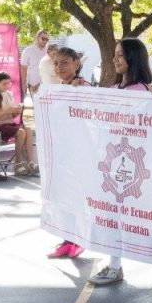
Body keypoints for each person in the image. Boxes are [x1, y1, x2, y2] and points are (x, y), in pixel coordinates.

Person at [88, 38, 152, 287]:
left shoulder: (144, 92)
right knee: (115, 215)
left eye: (120, 55)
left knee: (139, 216)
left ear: (133, 58)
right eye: (115, 54)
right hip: (113, 163)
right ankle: (115, 265)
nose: (115, 59)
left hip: (135, 166)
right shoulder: (114, 88)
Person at [46, 48, 92, 260]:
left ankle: (77, 240)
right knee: (63, 198)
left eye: (64, 62)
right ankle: (67, 238)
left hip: (80, 153)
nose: (59, 67)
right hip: (61, 152)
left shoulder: (84, 87)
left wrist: (77, 94)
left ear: (76, 64)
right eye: (56, 63)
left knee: (77, 198)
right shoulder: (56, 90)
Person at [0, 71, 37, 175]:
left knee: (28, 129)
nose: (7, 86)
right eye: (4, 84)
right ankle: (17, 164)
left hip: (9, 124)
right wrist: (6, 111)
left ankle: (30, 162)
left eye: (8, 84)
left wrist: (17, 112)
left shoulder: (8, 94)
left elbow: (11, 116)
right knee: (21, 132)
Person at [19, 30, 50, 96]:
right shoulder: (28, 50)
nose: (45, 41)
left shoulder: (50, 50)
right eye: (43, 38)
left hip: (48, 85)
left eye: (47, 40)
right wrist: (23, 84)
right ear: (37, 37)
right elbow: (23, 68)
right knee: (36, 103)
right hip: (33, 84)